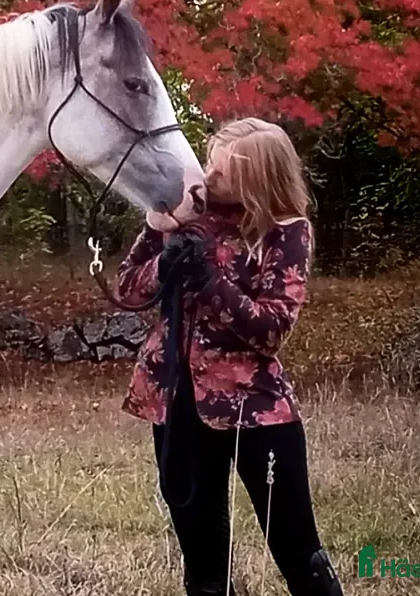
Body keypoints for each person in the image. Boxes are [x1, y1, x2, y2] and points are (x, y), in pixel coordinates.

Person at [116, 117, 343, 596]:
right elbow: (127, 288)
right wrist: (162, 255)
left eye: (222, 172)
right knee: (202, 562)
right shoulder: (183, 214)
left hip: (256, 410)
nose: (207, 177)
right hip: (177, 402)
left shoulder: (286, 232)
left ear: (256, 178)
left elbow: (270, 329)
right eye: (210, 163)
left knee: (297, 548)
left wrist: (208, 282)